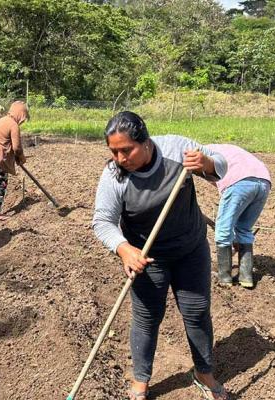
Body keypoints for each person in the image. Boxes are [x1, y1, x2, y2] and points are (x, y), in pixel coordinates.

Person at [92, 111, 229, 400]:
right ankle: (141, 379)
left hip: (190, 249)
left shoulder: (177, 149)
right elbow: (103, 221)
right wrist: (124, 249)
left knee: (196, 311)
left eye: (125, 150)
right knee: (147, 316)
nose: (119, 158)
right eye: (113, 151)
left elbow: (222, 166)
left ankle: (203, 372)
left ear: (146, 142)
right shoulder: (114, 175)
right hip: (146, 255)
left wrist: (206, 163)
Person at [205, 143, 271, 288]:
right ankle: (246, 277)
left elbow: (215, 179)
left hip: (239, 181)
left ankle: (225, 278)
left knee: (223, 229)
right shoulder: (226, 148)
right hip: (264, 181)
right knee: (244, 229)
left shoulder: (203, 154)